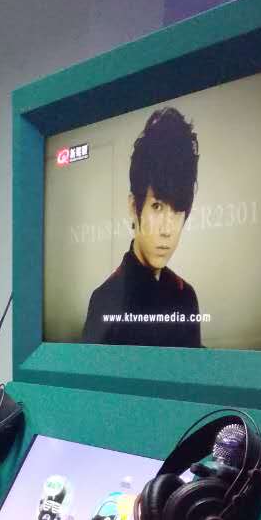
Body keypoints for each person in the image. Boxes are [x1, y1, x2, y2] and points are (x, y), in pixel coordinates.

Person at [82, 106, 202, 347]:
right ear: (133, 206)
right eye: (157, 206)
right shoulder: (106, 299)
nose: (167, 230)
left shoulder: (186, 296)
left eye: (177, 210)